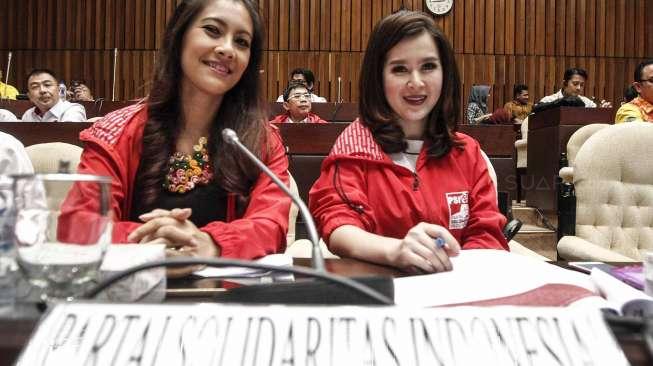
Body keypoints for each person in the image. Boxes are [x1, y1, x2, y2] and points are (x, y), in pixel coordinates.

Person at [61, 0, 291, 275]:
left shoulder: (260, 142)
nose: (227, 49)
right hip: (128, 298)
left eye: (241, 42)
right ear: (179, 37)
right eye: (213, 30)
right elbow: (79, 224)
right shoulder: (115, 133)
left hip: (226, 304)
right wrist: (152, 245)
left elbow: (271, 225)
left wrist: (209, 244)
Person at [309, 10, 508, 274]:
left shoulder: (467, 152)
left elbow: (487, 235)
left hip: (455, 295)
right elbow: (338, 224)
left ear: (445, 73)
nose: (416, 82)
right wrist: (397, 251)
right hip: (380, 295)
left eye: (428, 66)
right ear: (378, 78)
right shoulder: (354, 147)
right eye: (399, 69)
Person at [20, 69, 87, 122]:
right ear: (29, 96)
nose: (42, 90)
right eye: (35, 87)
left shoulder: (73, 110)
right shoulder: (28, 115)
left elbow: (68, 136)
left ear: (59, 89)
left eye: (47, 85)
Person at [539, 67, 612, 108]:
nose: (579, 88)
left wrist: (603, 111)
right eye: (575, 83)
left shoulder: (587, 103)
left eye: (582, 85)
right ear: (565, 83)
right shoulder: (548, 100)